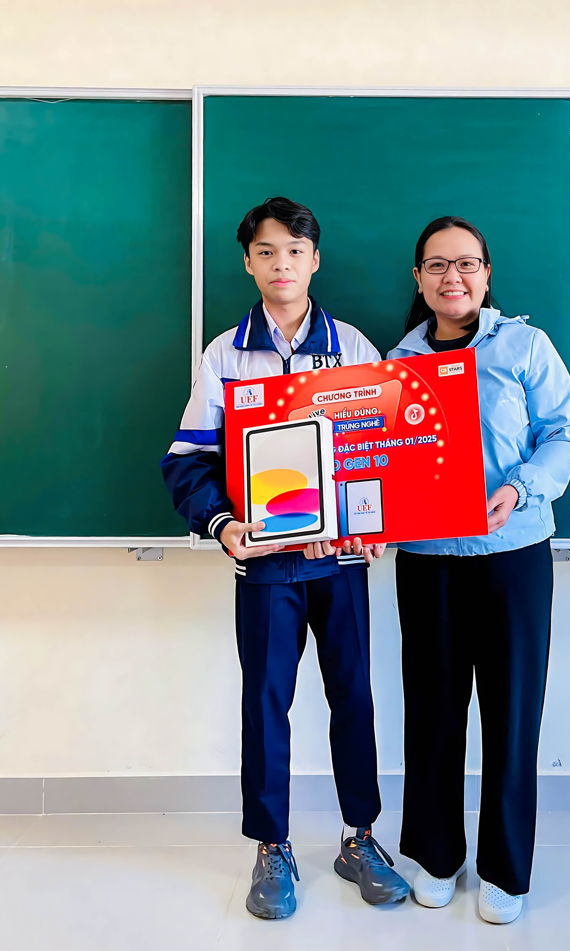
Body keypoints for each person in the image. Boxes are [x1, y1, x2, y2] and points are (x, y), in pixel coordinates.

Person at [161, 197, 409, 920]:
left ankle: (359, 837)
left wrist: (374, 525)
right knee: (267, 705)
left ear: (315, 259)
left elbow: (384, 455)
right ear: (248, 262)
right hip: (266, 567)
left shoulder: (354, 347)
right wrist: (222, 523)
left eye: (295, 251)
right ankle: (272, 845)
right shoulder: (224, 354)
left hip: (342, 565)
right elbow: (186, 459)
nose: (282, 264)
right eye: (267, 252)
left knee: (353, 698)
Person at [387, 216, 570, 924]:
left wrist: (522, 488)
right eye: (438, 265)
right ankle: (436, 855)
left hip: (514, 557)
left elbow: (564, 431)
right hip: (428, 561)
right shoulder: (396, 363)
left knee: (512, 714)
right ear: (419, 279)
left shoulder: (525, 346)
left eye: (466, 263)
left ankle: (505, 868)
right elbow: (377, 459)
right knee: (432, 714)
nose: (453, 277)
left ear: (486, 273)